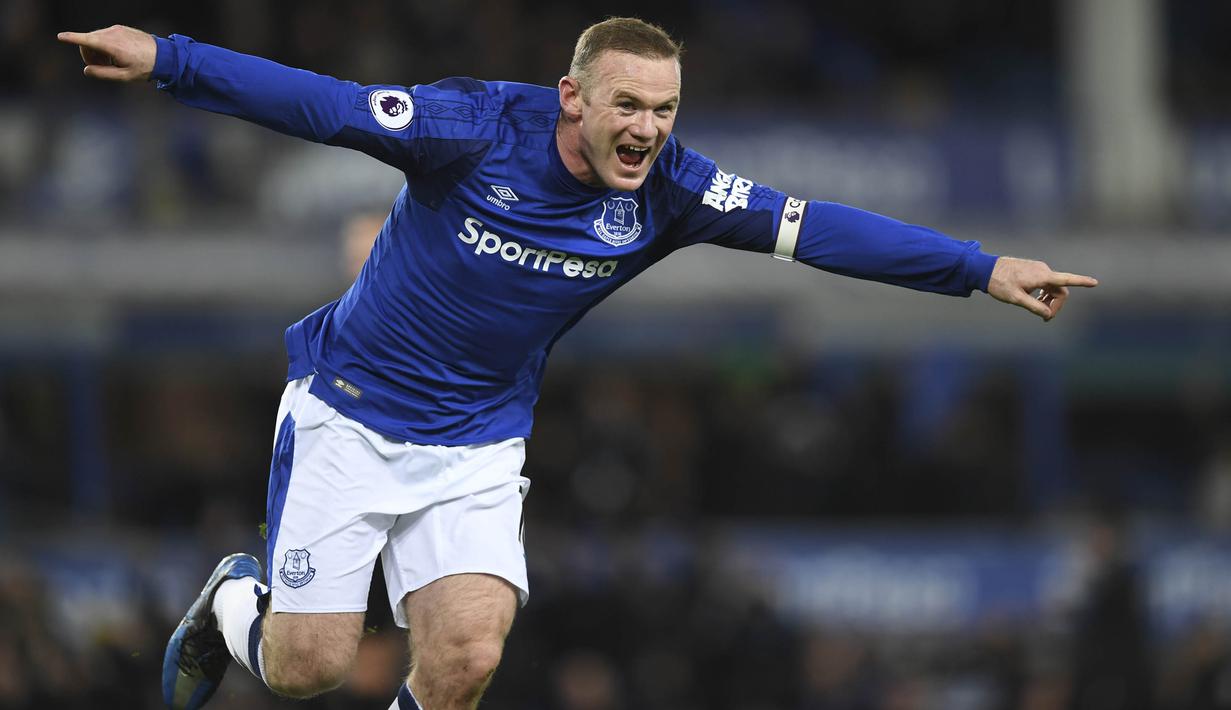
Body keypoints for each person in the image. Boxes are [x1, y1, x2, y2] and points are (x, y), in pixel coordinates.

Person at [57, 17, 1097, 710]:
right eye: (627, 106)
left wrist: (978, 267)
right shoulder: (473, 127)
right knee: (307, 668)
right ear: (572, 97)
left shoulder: (672, 190)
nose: (646, 128)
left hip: (476, 440)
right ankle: (235, 600)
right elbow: (324, 104)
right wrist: (170, 58)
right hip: (351, 412)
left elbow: (816, 226)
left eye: (664, 110)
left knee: (463, 658)